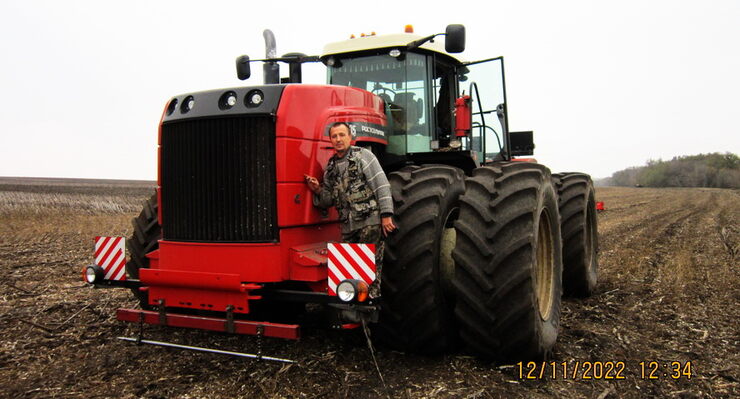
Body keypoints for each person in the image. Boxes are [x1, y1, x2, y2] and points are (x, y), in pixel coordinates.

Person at [304, 122, 396, 298]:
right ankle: (352, 308)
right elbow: (328, 200)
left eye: (342, 135)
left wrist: (386, 215)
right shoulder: (330, 167)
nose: (338, 139)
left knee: (370, 269)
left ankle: (369, 308)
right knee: (349, 270)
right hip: (348, 227)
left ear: (350, 137)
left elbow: (381, 184)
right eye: (334, 136)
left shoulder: (363, 156)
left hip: (369, 223)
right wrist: (317, 189)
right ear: (330, 140)